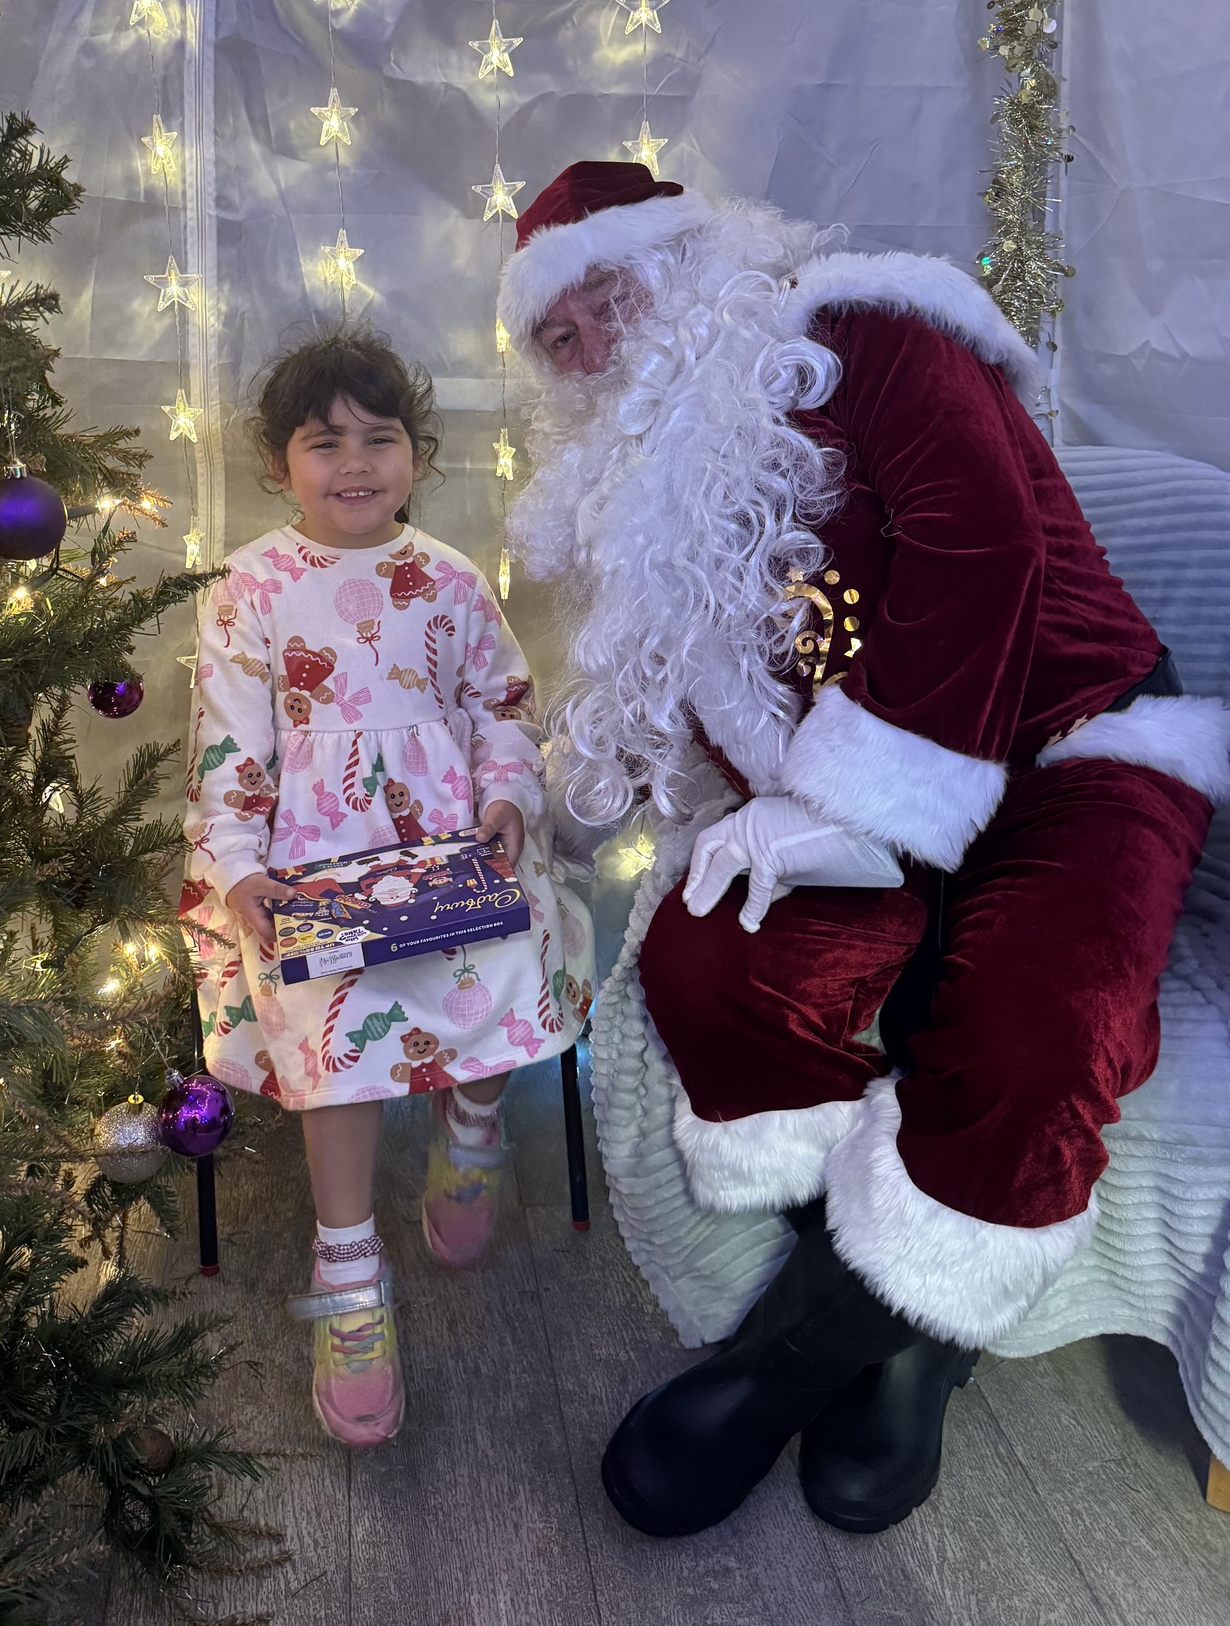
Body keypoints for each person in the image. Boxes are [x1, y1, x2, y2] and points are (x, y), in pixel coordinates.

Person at [497, 160, 1229, 1536]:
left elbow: (981, 547)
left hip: (1077, 744)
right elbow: (719, 707)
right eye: (560, 337)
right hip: (856, 807)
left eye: (608, 296)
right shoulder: (647, 498)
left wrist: (856, 797)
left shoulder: (869, 327)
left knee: (1039, 1022)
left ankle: (812, 1364)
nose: (594, 344)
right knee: (710, 959)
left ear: (689, 259)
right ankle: (891, 1308)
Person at [178, 328, 594, 1447]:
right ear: (281, 463)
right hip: (314, 862)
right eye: (326, 443)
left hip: (454, 845)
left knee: (504, 950)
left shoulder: (451, 579)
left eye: (380, 437)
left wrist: (507, 797)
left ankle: (474, 1125)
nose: (355, 463)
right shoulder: (249, 589)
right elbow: (227, 747)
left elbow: (502, 707)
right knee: (332, 1028)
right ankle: (350, 1270)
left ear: (418, 453)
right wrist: (240, 864)